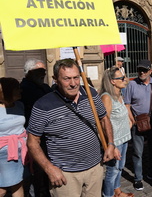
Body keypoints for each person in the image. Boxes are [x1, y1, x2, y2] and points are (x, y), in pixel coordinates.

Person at [27, 59, 115, 197]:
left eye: (76, 78)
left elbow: (104, 118)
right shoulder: (43, 105)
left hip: (95, 169)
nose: (73, 83)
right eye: (67, 79)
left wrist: (110, 144)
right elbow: (32, 141)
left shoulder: (90, 93)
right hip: (65, 175)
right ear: (55, 79)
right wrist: (49, 169)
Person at [124, 60, 152, 191]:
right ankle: (138, 178)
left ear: (150, 71)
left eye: (144, 70)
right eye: (139, 70)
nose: (141, 72)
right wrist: (133, 120)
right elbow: (127, 105)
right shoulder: (131, 84)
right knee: (137, 152)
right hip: (139, 122)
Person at [20, 58, 52, 197]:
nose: (43, 73)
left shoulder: (45, 87)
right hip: (35, 135)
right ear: (29, 72)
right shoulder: (23, 89)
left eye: (44, 70)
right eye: (40, 70)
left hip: (49, 134)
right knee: (37, 169)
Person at [100, 67, 133, 197]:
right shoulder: (107, 98)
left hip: (124, 138)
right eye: (121, 78)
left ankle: (117, 192)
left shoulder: (119, 94)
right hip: (115, 142)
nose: (125, 80)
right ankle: (108, 195)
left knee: (120, 168)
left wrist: (129, 123)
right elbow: (104, 122)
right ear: (112, 81)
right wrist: (111, 145)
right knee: (112, 171)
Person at [0, 77, 29, 197]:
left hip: (20, 151)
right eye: (17, 89)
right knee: (2, 189)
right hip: (3, 154)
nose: (20, 91)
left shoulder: (20, 105)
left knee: (18, 184)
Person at [20, 58, 52, 127]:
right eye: (41, 71)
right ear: (30, 73)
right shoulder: (22, 90)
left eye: (44, 71)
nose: (44, 74)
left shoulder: (45, 87)